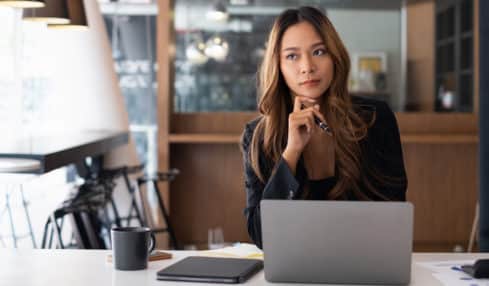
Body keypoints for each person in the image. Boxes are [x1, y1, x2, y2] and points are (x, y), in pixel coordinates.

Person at [240, 6, 407, 249]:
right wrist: (292, 154)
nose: (307, 66)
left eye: (318, 51)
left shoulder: (374, 118)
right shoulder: (257, 135)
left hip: (364, 263)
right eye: (292, 56)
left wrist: (324, 173)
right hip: (292, 268)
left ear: (335, 57)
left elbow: (393, 219)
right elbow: (262, 237)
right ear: (278, 66)